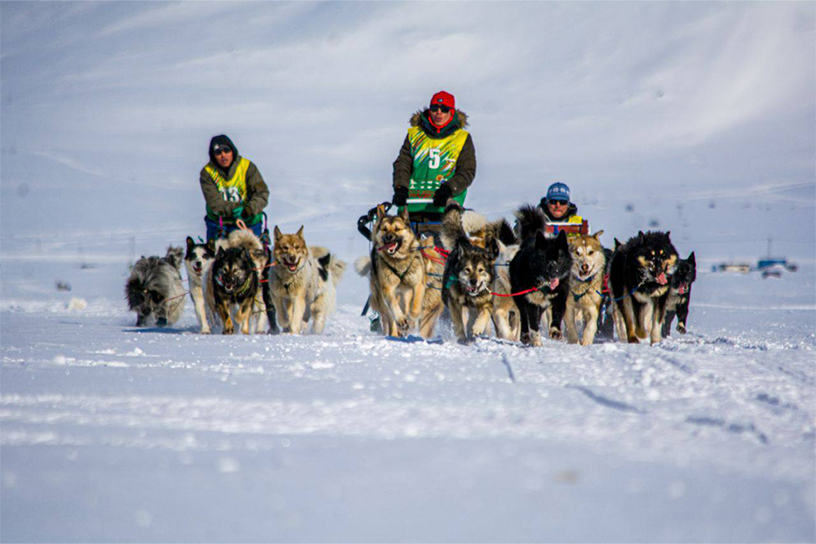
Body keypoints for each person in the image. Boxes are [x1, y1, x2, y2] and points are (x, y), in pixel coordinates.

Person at [391, 90, 476, 233]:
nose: (438, 112)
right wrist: (400, 187)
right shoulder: (415, 135)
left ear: (451, 112)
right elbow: (402, 164)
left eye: (444, 109)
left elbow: (467, 171)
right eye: (435, 108)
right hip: (411, 208)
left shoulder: (462, 138)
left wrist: (449, 189)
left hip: (445, 209)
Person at [200, 134, 269, 241]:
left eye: (226, 150)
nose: (223, 155)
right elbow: (214, 202)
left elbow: (262, 193)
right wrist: (234, 209)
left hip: (248, 221)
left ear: (233, 151)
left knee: (254, 251)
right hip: (220, 223)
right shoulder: (207, 173)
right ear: (213, 155)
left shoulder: (247, 167)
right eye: (218, 152)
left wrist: (248, 210)